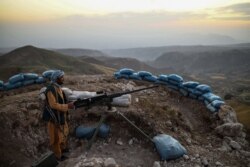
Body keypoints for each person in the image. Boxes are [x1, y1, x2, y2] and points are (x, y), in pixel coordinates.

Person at [46, 70, 75, 161]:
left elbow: (62, 101)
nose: (63, 79)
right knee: (56, 138)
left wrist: (67, 109)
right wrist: (67, 106)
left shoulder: (59, 88)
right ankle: (58, 156)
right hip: (54, 118)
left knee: (64, 133)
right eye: (61, 77)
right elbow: (53, 105)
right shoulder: (50, 90)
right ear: (56, 78)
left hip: (61, 116)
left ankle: (63, 150)